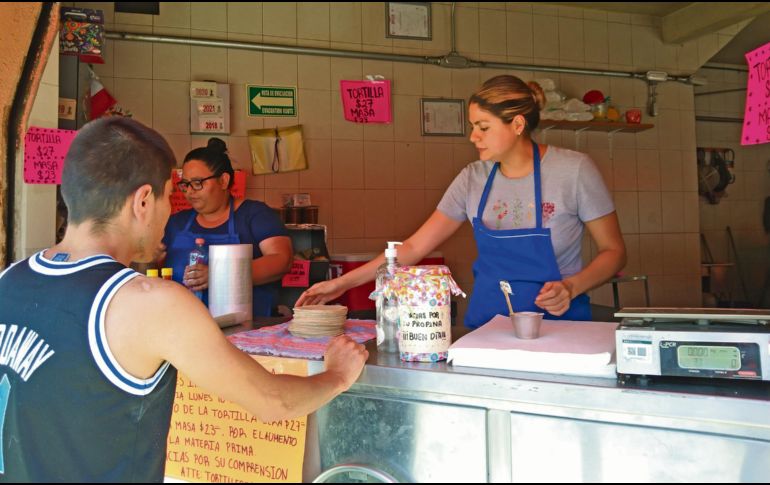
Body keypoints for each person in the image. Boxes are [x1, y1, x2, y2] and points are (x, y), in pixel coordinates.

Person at [0, 117, 367, 482]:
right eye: (167, 196)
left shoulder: (9, 280)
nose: (171, 212)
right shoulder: (149, 303)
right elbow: (274, 402)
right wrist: (337, 374)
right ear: (144, 200)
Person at [297, 75, 626, 328]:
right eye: (472, 127)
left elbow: (614, 252)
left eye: (483, 127)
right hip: (488, 324)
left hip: (560, 326)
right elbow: (411, 248)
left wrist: (571, 287)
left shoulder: (574, 170)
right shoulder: (473, 178)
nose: (473, 137)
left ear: (517, 124)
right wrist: (338, 284)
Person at [161, 138, 292, 317]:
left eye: (198, 183)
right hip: (185, 326)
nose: (190, 192)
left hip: (248, 328)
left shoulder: (254, 215)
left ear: (223, 180)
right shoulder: (176, 223)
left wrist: (220, 275)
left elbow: (281, 260)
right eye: (185, 185)